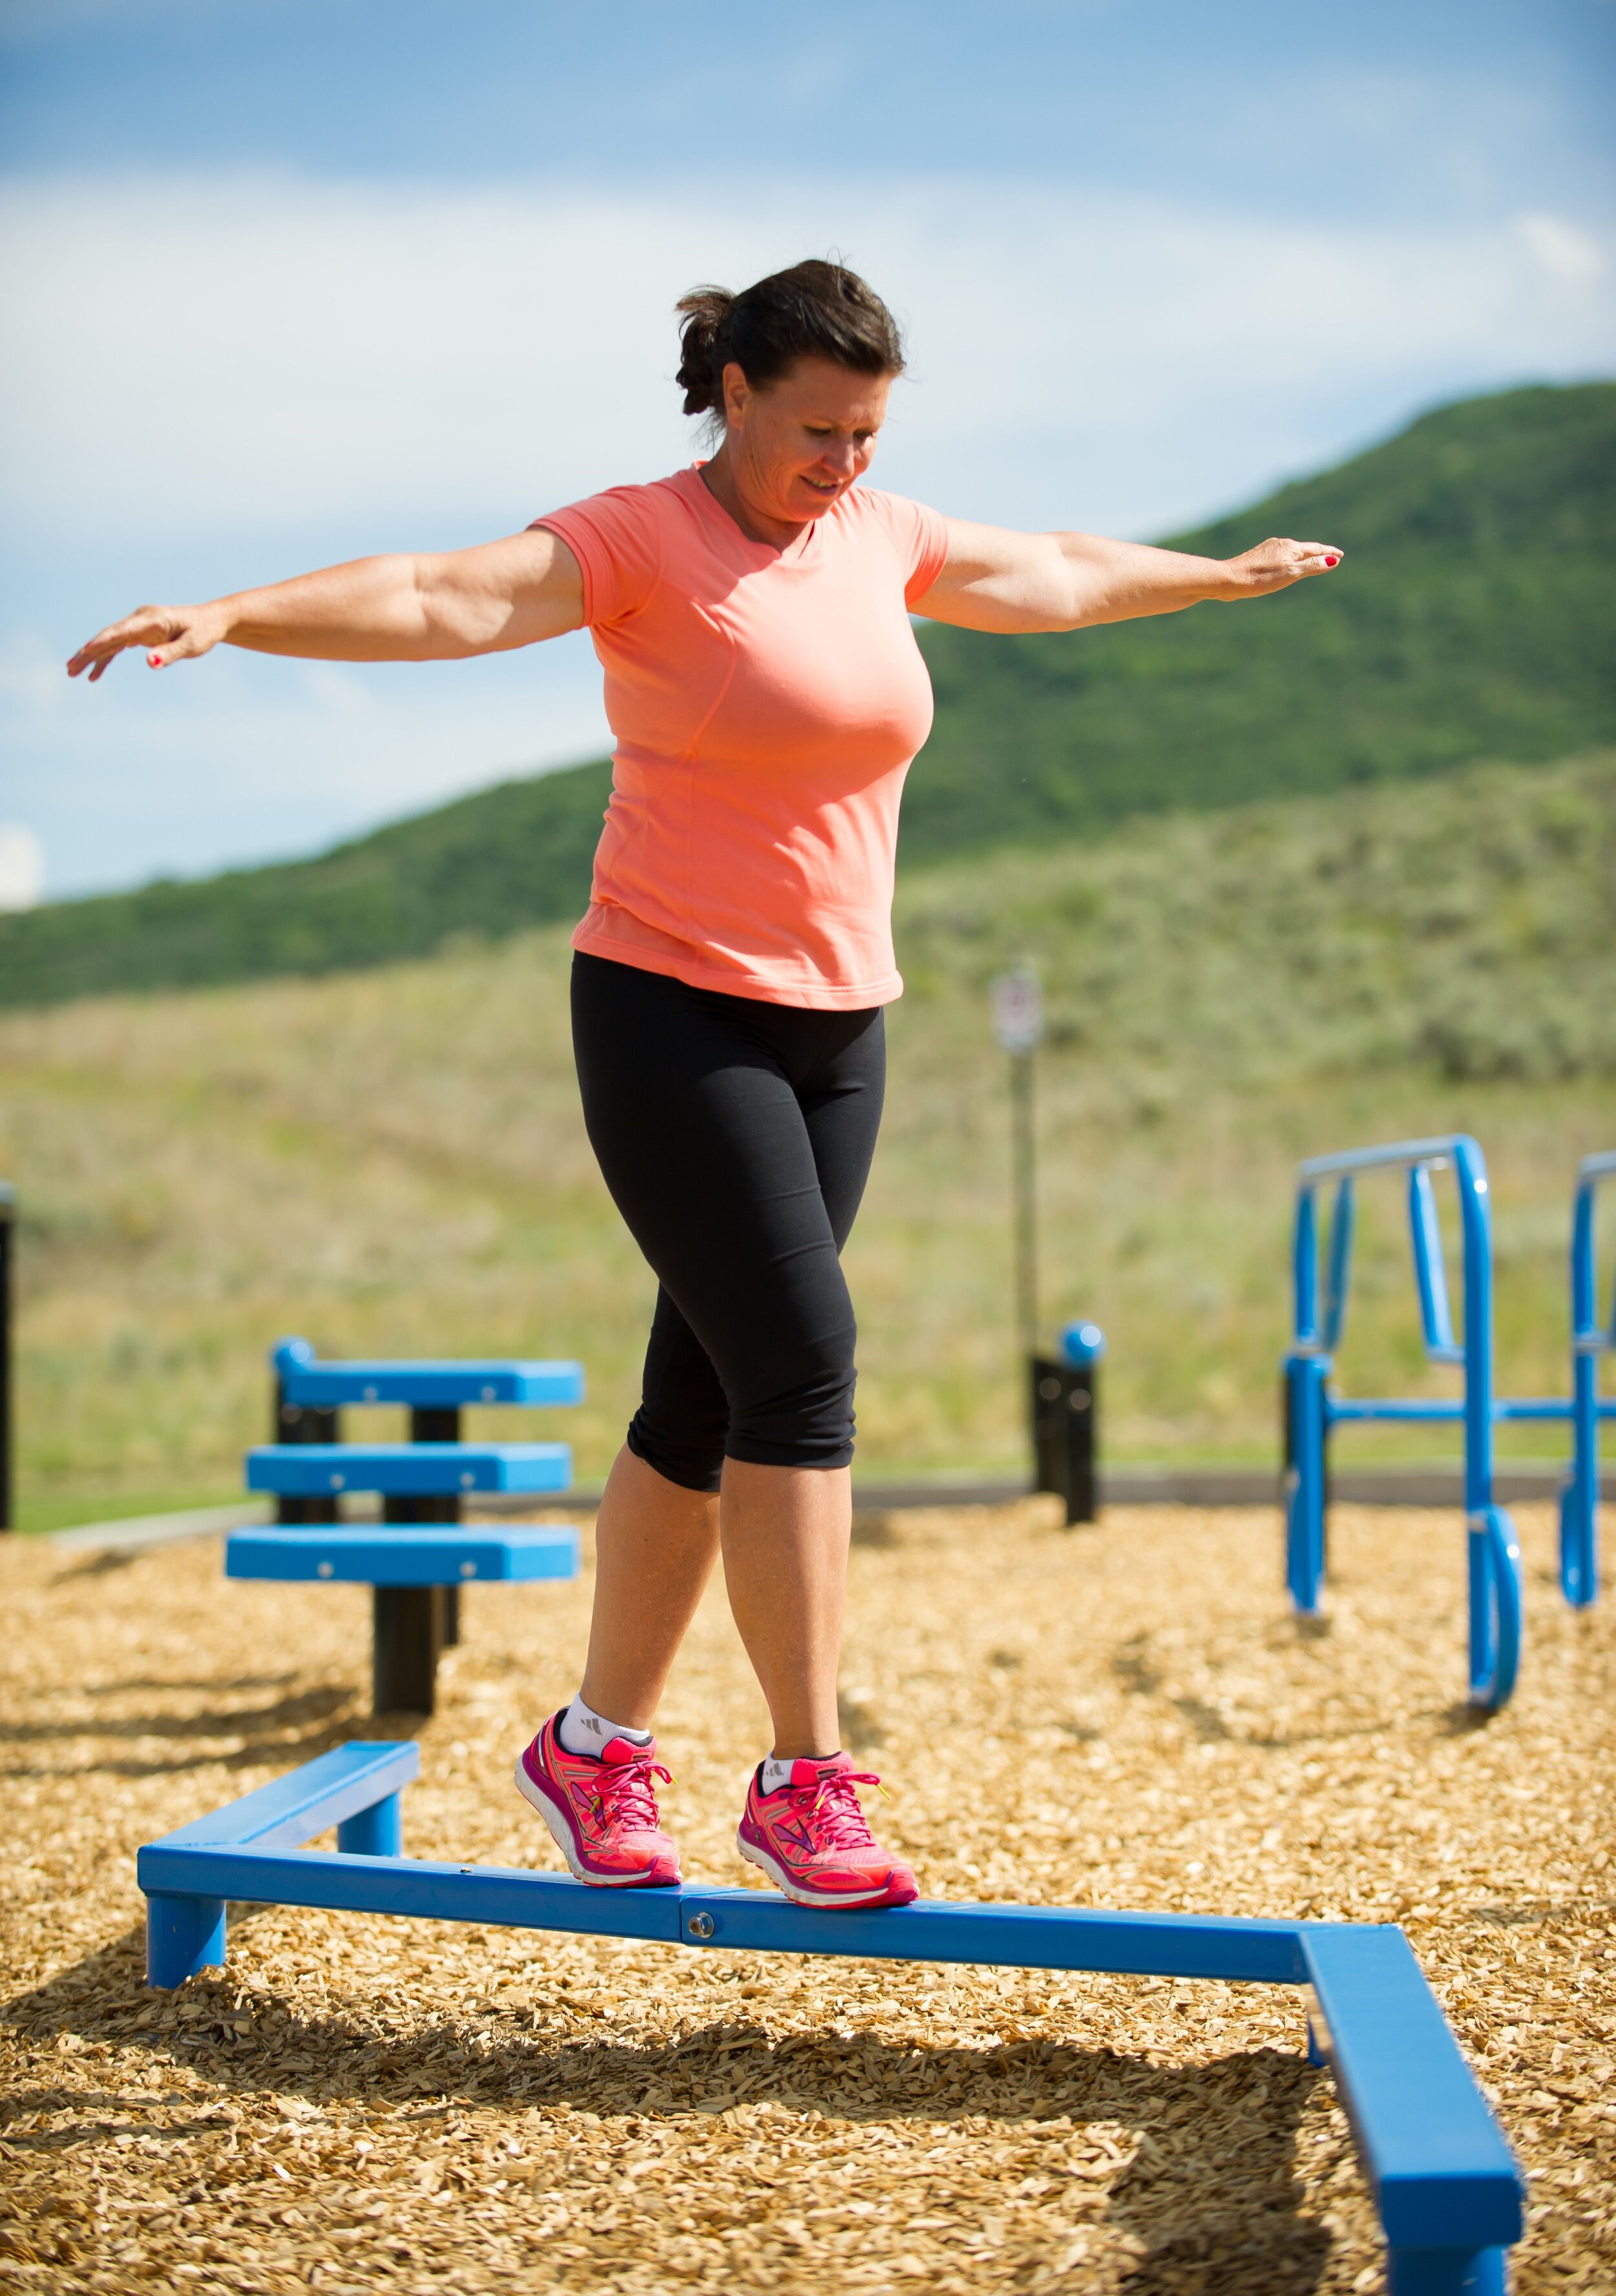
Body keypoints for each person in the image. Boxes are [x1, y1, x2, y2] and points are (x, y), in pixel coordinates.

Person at [70, 259, 1341, 1911]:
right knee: (803, 1362)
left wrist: (1213, 576)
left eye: (870, 433)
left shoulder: (876, 536)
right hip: (672, 1010)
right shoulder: (639, 541)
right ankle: (808, 1778)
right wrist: (243, 611)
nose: (845, 464)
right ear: (731, 388)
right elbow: (445, 594)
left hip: (839, 1025)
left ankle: (594, 1742)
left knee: (709, 1398)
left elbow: (1051, 569)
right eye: (816, 428)